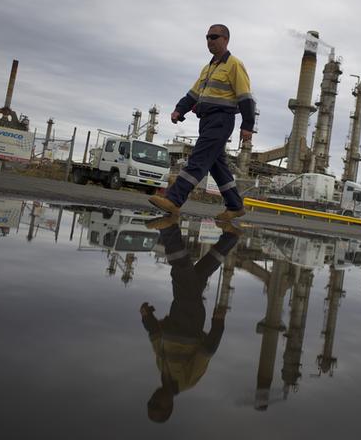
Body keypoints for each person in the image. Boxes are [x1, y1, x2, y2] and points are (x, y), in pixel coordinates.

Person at [149, 24, 256, 221]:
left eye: (214, 37)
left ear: (225, 40)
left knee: (198, 158)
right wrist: (179, 109)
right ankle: (235, 206)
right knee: (216, 166)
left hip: (222, 120)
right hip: (206, 121)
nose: (209, 41)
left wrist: (247, 126)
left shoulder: (234, 64)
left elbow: (246, 97)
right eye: (207, 37)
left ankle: (174, 200)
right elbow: (193, 94)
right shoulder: (208, 68)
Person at [140, 216, 240, 423]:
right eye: (158, 405)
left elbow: (156, 340)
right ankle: (169, 230)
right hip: (190, 321)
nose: (154, 400)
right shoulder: (186, 381)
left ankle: (231, 237)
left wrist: (147, 318)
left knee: (198, 273)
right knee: (180, 273)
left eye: (151, 403)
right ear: (170, 407)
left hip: (176, 314)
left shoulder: (163, 371)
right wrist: (218, 323)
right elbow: (207, 351)